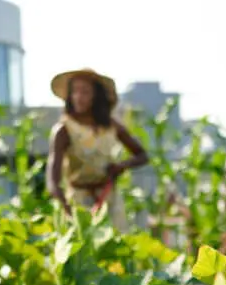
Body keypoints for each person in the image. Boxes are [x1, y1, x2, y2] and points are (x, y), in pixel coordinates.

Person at [46, 67, 150, 232]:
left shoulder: (110, 126)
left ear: (97, 96)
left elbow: (142, 155)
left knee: (117, 246)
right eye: (75, 92)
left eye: (85, 92)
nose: (78, 97)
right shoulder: (64, 130)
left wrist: (121, 167)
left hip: (109, 197)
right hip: (78, 201)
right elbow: (53, 181)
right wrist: (66, 208)